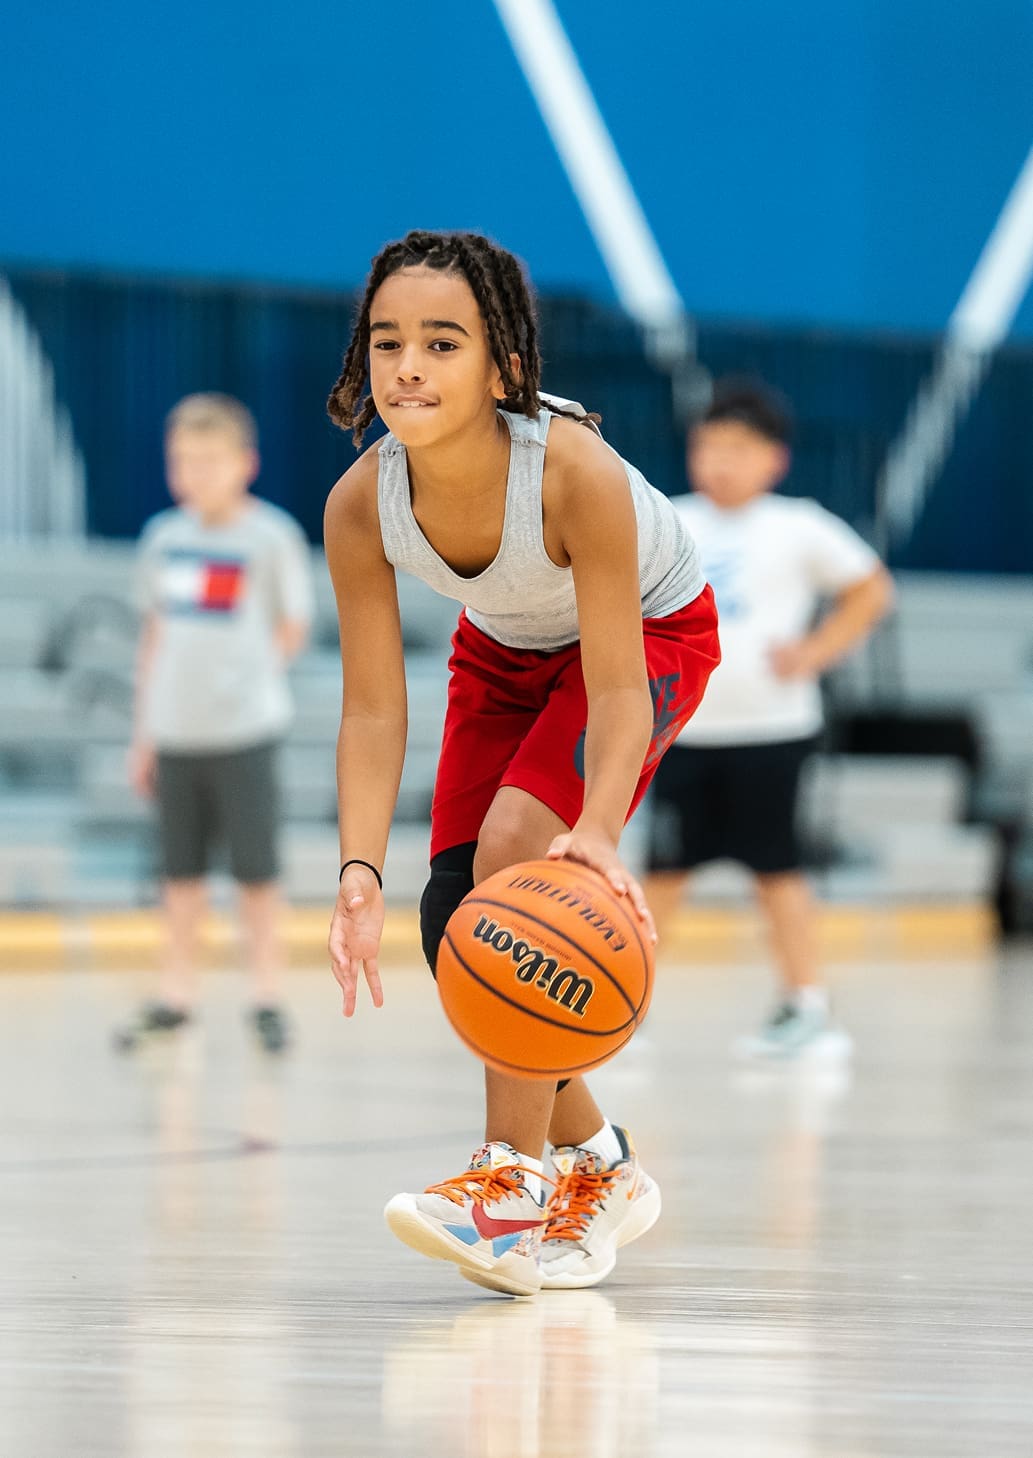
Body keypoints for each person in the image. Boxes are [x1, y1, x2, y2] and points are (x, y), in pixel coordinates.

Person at [323, 230, 721, 1297]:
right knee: (459, 920)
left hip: (648, 632)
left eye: (443, 342)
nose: (408, 365)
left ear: (504, 367)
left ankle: (508, 1190)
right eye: (388, 341)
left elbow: (621, 683)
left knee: (515, 853)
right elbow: (370, 710)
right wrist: (359, 869)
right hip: (502, 645)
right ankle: (599, 1164)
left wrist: (591, 829)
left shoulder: (572, 473)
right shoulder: (361, 503)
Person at [642, 378, 894, 1059]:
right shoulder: (667, 517)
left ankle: (805, 1006)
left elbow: (871, 588)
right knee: (661, 874)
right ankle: (620, 1010)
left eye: (736, 448)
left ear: (772, 459)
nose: (719, 460)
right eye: (707, 445)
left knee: (776, 871)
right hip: (679, 732)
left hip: (773, 733)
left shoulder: (798, 524)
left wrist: (816, 651)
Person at [119, 393, 314, 1054]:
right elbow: (153, 638)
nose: (195, 473)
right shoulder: (163, 539)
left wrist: (252, 676)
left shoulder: (270, 538)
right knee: (179, 878)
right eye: (183, 461)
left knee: (256, 877)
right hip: (175, 735)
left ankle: (266, 996)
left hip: (244, 735)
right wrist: (143, 735)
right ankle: (176, 996)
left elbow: (293, 623)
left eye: (209, 459)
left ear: (244, 463)